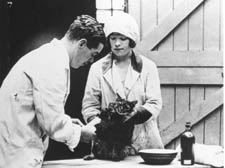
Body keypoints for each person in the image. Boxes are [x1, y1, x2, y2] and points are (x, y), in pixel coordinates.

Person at [0, 15, 106, 168]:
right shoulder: (53, 63)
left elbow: (41, 110)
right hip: (16, 154)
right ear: (82, 44)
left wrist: (67, 121)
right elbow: (53, 124)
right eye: (93, 54)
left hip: (15, 147)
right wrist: (81, 134)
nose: (91, 61)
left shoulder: (50, 56)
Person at [82, 13, 164, 155]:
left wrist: (133, 115)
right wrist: (104, 125)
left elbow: (155, 103)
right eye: (113, 38)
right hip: (108, 142)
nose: (117, 43)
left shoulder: (148, 67)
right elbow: (89, 105)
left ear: (131, 40)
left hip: (143, 140)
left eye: (122, 38)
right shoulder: (97, 68)